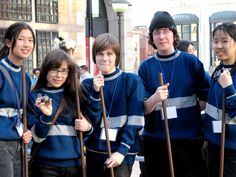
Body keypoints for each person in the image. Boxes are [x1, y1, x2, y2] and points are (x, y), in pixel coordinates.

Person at [138, 11, 210, 177]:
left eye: (165, 31)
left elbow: (207, 97)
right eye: (156, 32)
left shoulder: (191, 62)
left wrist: (189, 115)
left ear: (174, 34)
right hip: (156, 140)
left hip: (188, 140)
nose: (161, 36)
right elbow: (143, 108)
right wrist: (155, 98)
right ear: (152, 37)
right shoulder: (145, 67)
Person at [27, 48, 101, 177]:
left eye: (64, 71)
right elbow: (37, 138)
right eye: (54, 69)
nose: (59, 75)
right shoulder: (36, 96)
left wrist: (87, 127)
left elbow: (91, 124)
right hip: (45, 164)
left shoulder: (75, 95)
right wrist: (46, 117)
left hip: (74, 163)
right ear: (45, 70)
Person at [82, 33, 145, 177]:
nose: (105, 58)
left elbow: (136, 120)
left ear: (116, 56)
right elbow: (90, 121)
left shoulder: (130, 80)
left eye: (109, 54)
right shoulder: (87, 85)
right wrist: (96, 93)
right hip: (94, 151)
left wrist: (121, 151)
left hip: (121, 154)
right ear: (94, 57)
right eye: (100, 54)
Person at [0, 22, 34, 177]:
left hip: (19, 142)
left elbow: (23, 112)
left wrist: (27, 130)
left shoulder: (26, 77)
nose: (26, 44)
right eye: (21, 39)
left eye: (30, 40)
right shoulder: (1, 71)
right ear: (8, 42)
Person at [204, 23, 236, 177]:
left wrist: (229, 88)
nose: (219, 46)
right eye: (215, 41)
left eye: (224, 41)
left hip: (232, 150)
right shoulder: (217, 71)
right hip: (213, 145)